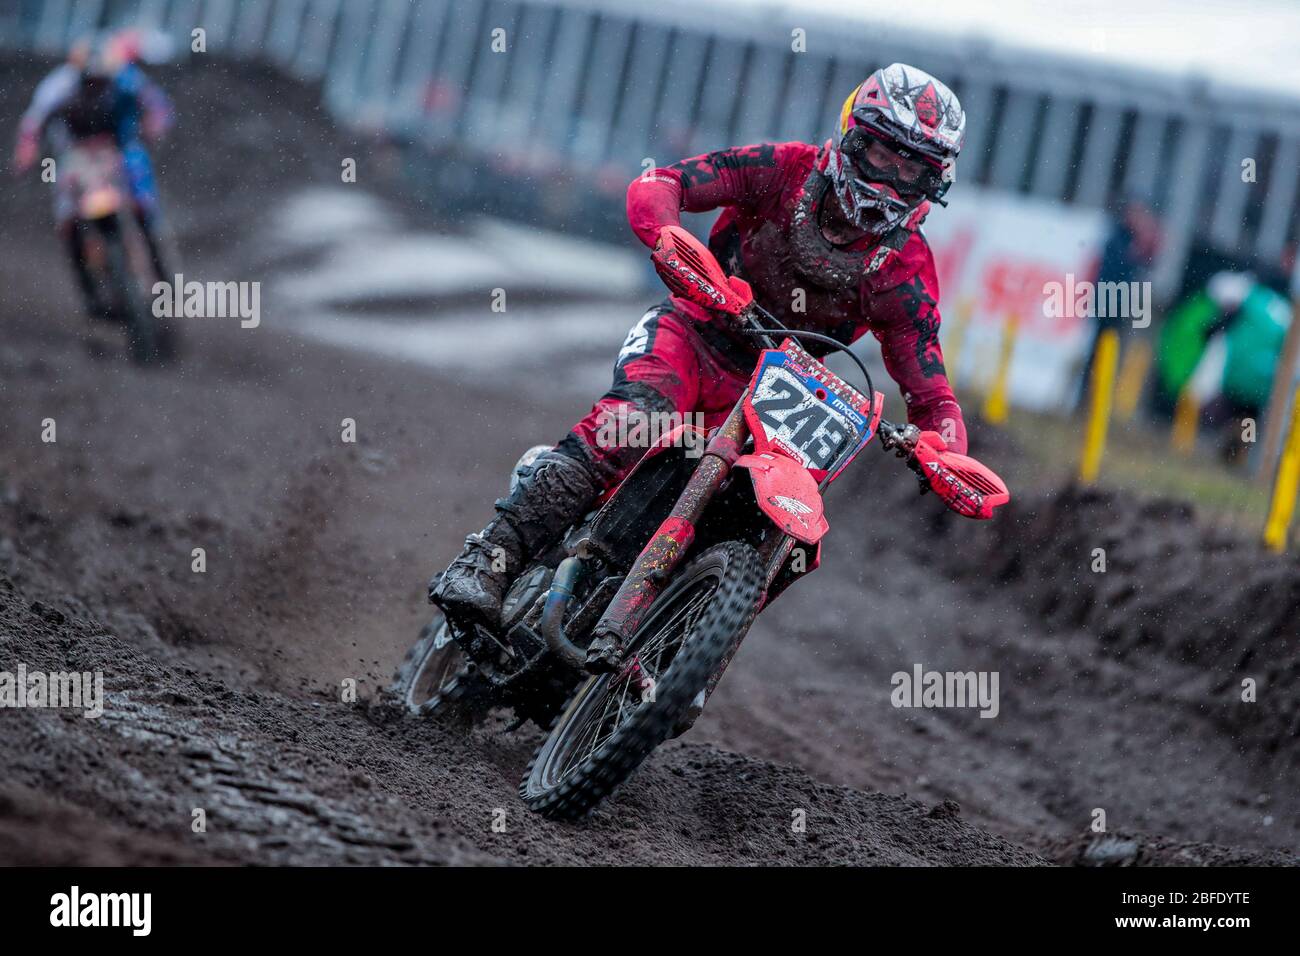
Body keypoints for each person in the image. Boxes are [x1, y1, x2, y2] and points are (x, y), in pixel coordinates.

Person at [431, 63, 969, 668]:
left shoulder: (906, 273)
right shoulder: (783, 169)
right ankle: (489, 560)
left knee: (785, 534)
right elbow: (664, 184)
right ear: (850, 138)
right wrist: (667, 235)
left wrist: (944, 452)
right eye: (882, 154)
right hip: (696, 331)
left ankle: (673, 650)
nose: (892, 178)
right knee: (633, 422)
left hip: (783, 388)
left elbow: (932, 392)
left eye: (913, 168)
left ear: (935, 181)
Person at [12, 34, 174, 318]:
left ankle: (163, 279)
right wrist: (27, 152)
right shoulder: (58, 86)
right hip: (74, 155)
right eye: (91, 81)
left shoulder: (125, 78)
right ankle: (90, 292)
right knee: (67, 220)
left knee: (143, 205)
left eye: (102, 81)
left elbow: (156, 105)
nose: (97, 87)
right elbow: (33, 123)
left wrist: (153, 127)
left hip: (114, 149)